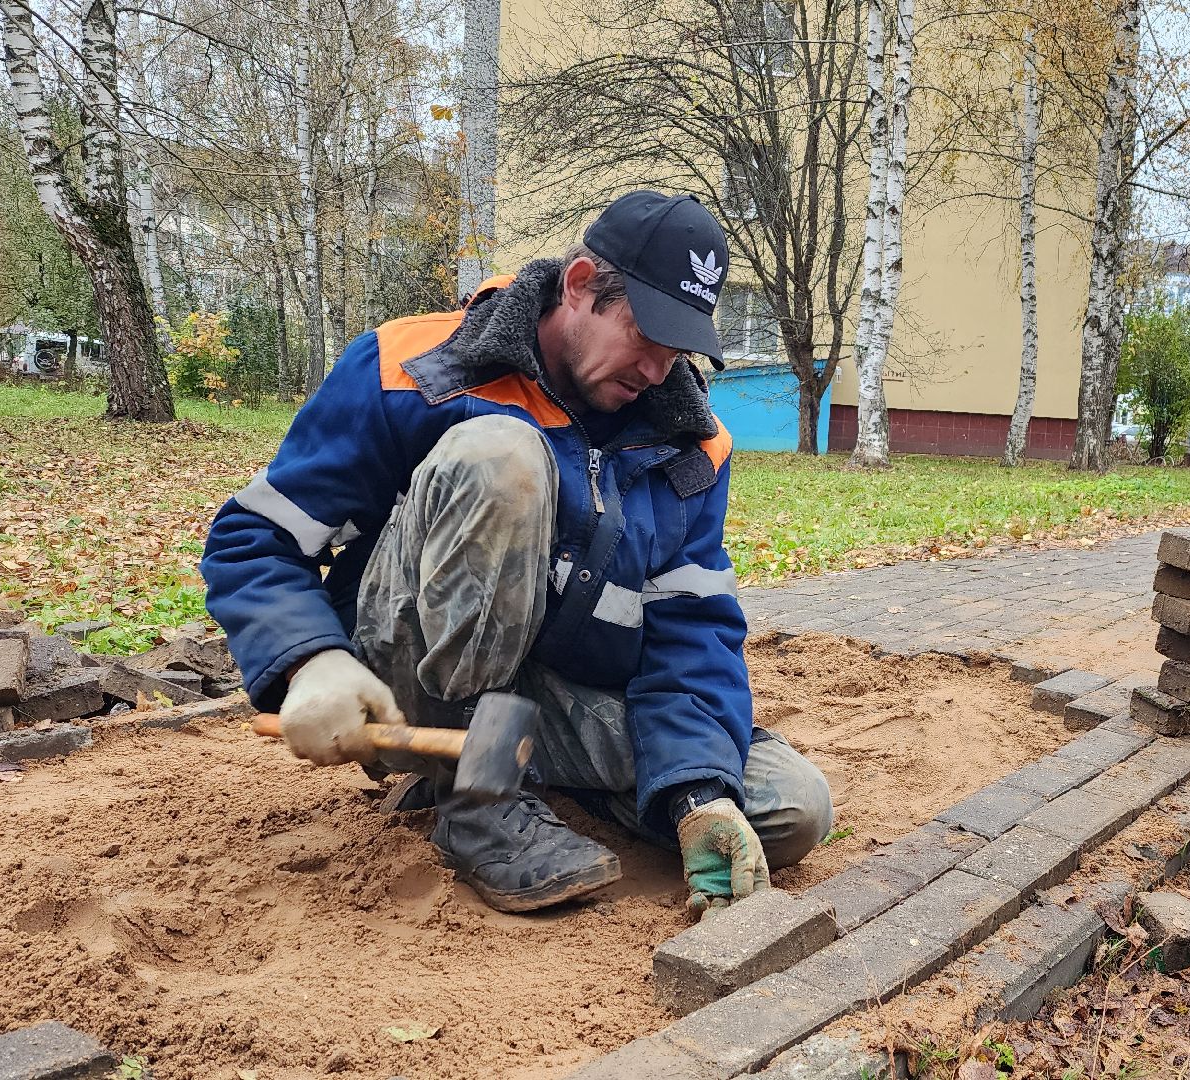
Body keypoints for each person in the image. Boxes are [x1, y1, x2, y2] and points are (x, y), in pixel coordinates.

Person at [200, 191, 834, 917]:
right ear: (580, 284)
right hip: (403, 678)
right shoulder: (414, 368)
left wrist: (699, 795)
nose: (659, 370)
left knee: (791, 808)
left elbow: (691, 634)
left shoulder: (692, 449)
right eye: (645, 333)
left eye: (679, 348)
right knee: (502, 455)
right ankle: (478, 801)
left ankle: (505, 767)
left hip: (549, 702)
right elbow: (253, 538)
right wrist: (312, 661)